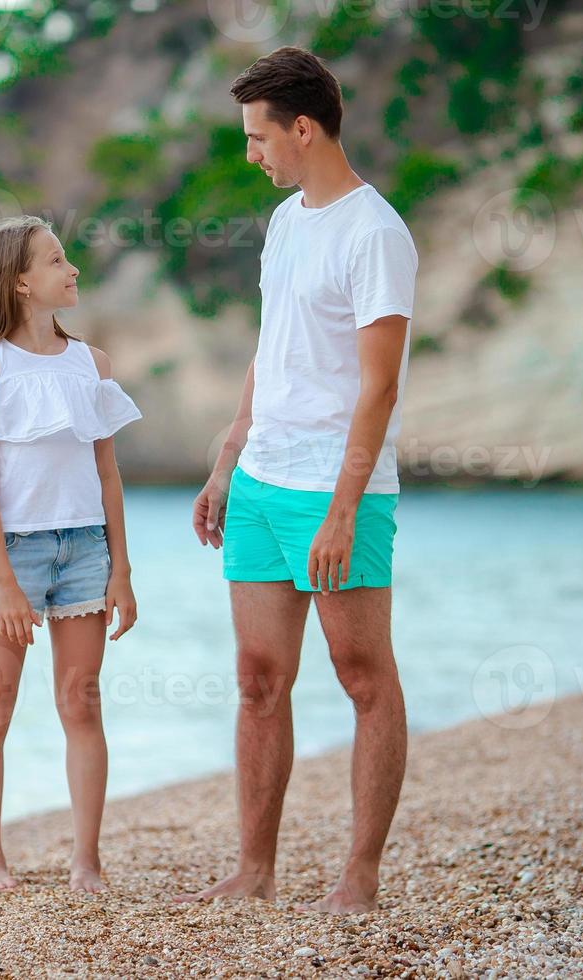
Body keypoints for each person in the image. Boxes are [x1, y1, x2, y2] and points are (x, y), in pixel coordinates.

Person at [179, 46, 419, 914]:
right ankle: (255, 870)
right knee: (257, 679)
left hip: (335, 488)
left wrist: (344, 508)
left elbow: (380, 384)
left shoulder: (376, 233)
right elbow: (270, 351)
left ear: (304, 129)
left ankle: (359, 876)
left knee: (363, 677)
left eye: (258, 137)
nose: (253, 154)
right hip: (262, 481)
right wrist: (226, 459)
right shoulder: (288, 224)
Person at [0, 214, 142, 893]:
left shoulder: (94, 364)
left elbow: (108, 474)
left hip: (86, 549)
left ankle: (87, 862)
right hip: (12, 559)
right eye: (57, 260)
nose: (71, 268)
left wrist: (122, 571)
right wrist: (4, 584)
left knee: (81, 704)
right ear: (22, 283)